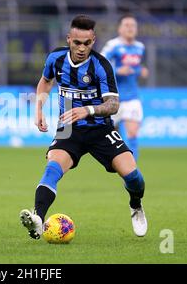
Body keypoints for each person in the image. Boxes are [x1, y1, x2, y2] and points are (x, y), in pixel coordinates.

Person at [20, 15, 148, 240]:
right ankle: (37, 218)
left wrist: (87, 110)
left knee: (133, 176)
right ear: (69, 39)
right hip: (70, 129)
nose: (81, 48)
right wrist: (38, 108)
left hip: (101, 129)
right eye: (77, 42)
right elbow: (46, 81)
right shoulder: (56, 58)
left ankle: (135, 205)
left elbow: (113, 104)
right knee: (53, 167)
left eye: (87, 43)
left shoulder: (101, 65)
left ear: (93, 41)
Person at [100, 14, 148, 161]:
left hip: (132, 96)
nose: (130, 28)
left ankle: (133, 170)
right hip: (113, 97)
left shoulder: (140, 47)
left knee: (132, 133)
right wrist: (117, 70)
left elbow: (135, 68)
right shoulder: (113, 45)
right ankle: (116, 163)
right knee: (112, 137)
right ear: (120, 29)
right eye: (126, 25)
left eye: (133, 25)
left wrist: (141, 70)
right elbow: (99, 65)